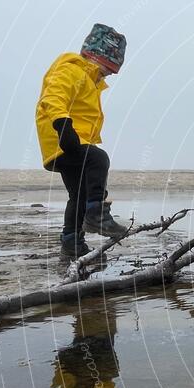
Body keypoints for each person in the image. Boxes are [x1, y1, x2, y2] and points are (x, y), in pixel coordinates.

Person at [35, 23, 129, 258]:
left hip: (72, 141)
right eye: (108, 69)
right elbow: (53, 96)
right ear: (95, 57)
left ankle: (71, 242)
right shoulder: (72, 71)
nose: (108, 74)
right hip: (64, 140)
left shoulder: (90, 80)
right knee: (99, 159)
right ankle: (96, 214)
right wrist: (63, 126)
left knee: (78, 194)